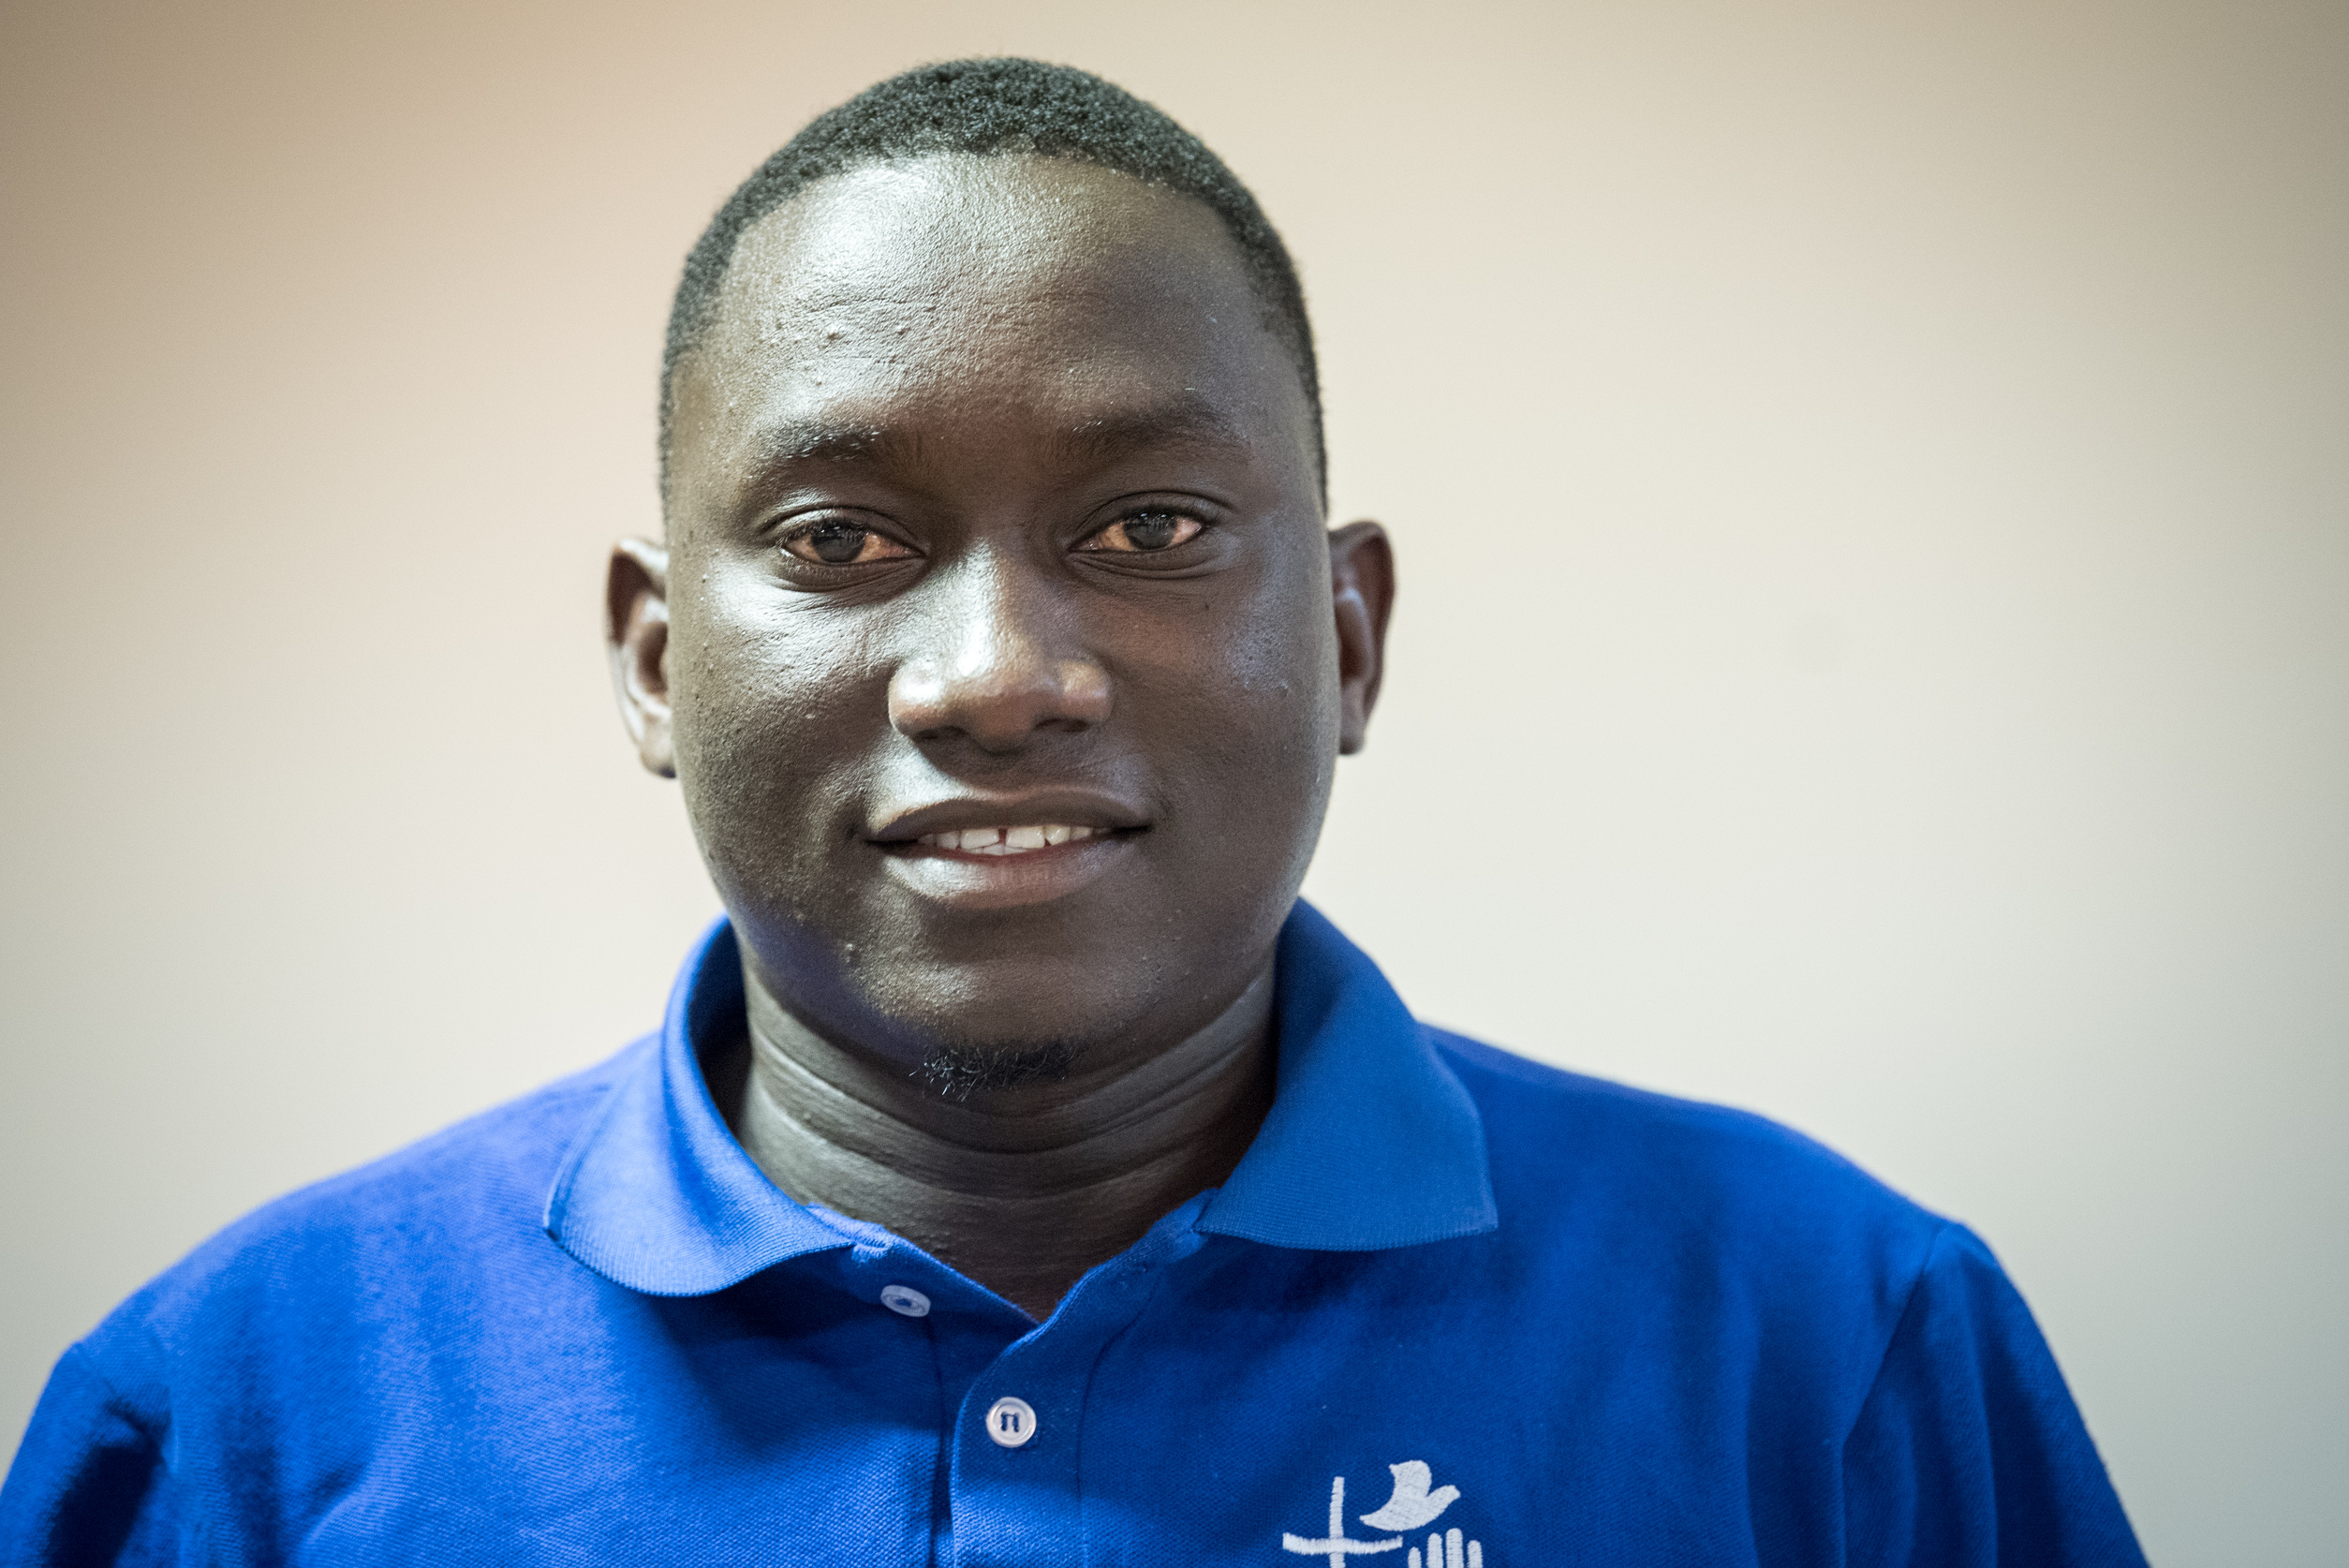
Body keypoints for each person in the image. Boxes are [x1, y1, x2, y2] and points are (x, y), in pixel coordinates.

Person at [0, 58, 2146, 1566]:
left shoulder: (1832, 1342)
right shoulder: (239, 1418)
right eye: (842, 540)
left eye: (1149, 522)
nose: (999, 673)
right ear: (659, 664)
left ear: (1354, 631)